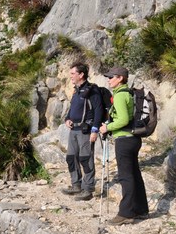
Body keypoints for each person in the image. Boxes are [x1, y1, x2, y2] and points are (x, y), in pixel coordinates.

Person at [99, 66, 148, 225]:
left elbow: (123, 120)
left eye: (111, 77)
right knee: (134, 174)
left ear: (120, 78)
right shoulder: (130, 93)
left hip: (124, 140)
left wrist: (107, 127)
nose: (109, 80)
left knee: (125, 177)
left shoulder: (120, 96)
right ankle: (141, 209)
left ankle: (126, 213)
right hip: (134, 139)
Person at [61, 62, 104, 201]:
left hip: (86, 130)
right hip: (73, 129)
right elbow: (71, 110)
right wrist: (67, 119)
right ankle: (76, 185)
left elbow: (98, 111)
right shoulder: (77, 90)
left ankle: (88, 189)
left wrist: (95, 130)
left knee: (86, 159)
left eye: (73, 73)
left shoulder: (92, 91)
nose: (71, 76)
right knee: (71, 158)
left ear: (81, 74)